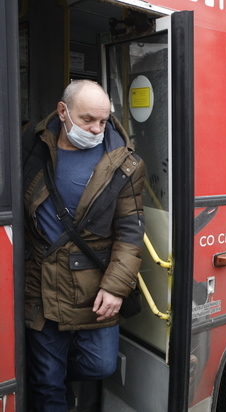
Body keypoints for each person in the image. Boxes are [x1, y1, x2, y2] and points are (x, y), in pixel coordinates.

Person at [23, 80, 146, 412]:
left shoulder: (124, 162)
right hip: (42, 282)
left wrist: (117, 288)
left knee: (100, 365)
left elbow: (130, 232)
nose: (96, 129)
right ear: (63, 112)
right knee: (47, 382)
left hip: (94, 283)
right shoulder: (33, 146)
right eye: (88, 119)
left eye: (103, 121)